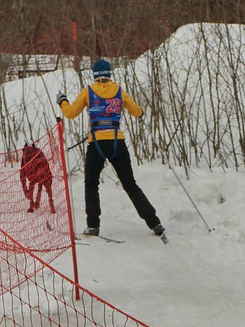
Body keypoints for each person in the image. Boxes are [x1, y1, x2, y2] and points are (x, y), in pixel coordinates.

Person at [57, 57, 165, 241]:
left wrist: (63, 101)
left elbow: (70, 113)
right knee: (130, 184)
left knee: (91, 183)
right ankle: (154, 222)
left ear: (95, 75)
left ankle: (93, 225)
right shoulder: (119, 91)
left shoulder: (88, 91)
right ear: (109, 74)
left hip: (97, 142)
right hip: (117, 142)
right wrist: (138, 113)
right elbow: (136, 111)